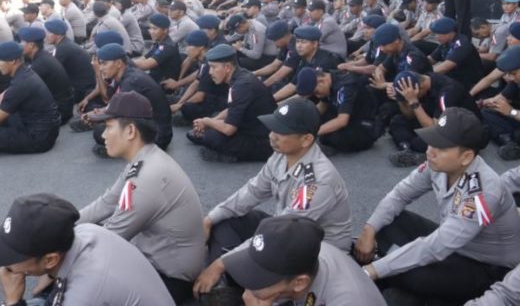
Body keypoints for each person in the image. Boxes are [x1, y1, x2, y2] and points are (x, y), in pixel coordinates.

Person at [355, 108, 520, 304]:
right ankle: (400, 283)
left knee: (414, 276)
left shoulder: (483, 194)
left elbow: (437, 246)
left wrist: (372, 270)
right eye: (432, 141)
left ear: (466, 157)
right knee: (386, 225)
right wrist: (369, 229)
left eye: (441, 147)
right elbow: (400, 194)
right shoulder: (439, 165)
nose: (430, 150)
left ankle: (399, 285)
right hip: (455, 246)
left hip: (487, 266)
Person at [194, 99, 353, 302]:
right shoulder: (281, 155)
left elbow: (284, 237)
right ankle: (237, 281)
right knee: (226, 221)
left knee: (235, 266)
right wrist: (209, 218)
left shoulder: (319, 182)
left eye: (281, 132)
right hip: (283, 230)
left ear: (305, 140)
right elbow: (251, 192)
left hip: (312, 254)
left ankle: (241, 286)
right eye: (272, 128)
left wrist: (220, 263)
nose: (271, 135)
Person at [80, 92, 205, 303]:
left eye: (109, 127)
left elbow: (110, 239)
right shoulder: (144, 159)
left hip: (168, 279)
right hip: (153, 257)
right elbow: (107, 202)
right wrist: (65, 222)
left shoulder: (148, 177)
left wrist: (59, 249)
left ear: (130, 131)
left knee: (85, 280)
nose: (103, 135)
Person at [0, 193, 174, 306]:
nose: (6, 265)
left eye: (13, 255)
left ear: (51, 260)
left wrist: (12, 300)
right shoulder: (86, 231)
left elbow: (85, 293)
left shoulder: (84, 293)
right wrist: (52, 276)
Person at [215, 215, 386, 306]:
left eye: (261, 277)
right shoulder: (305, 254)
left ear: (299, 282)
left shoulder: (348, 301)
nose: (249, 281)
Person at [187, 44, 277, 162]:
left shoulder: (241, 86)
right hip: (251, 128)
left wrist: (207, 121)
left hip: (264, 140)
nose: (210, 72)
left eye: (213, 67)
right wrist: (212, 121)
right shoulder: (240, 77)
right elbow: (232, 108)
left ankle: (234, 156)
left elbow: (229, 129)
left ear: (228, 67)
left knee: (211, 137)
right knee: (205, 130)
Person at [86, 43, 173, 155]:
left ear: (118, 63)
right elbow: (111, 100)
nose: (101, 68)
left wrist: (95, 116)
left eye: (104, 64)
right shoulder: (126, 73)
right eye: (100, 65)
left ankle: (122, 149)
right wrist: (99, 113)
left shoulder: (131, 82)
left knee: (100, 132)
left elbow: (115, 109)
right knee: (100, 119)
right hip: (154, 128)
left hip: (157, 138)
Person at [388, 70, 480, 167]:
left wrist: (414, 101)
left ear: (420, 88)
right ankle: (406, 149)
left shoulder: (447, 93)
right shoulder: (426, 80)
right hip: (437, 119)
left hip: (465, 131)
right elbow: (409, 115)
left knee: (419, 142)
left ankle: (421, 154)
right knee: (397, 121)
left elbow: (436, 129)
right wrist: (399, 99)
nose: (406, 100)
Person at [295, 67, 379, 153]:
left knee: (331, 136)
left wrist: (311, 134)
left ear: (321, 81)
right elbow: (322, 106)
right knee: (315, 122)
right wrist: (302, 123)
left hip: (362, 124)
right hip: (348, 115)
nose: (317, 96)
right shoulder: (330, 79)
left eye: (316, 92)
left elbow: (342, 120)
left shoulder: (346, 86)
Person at [18, 27, 73, 124]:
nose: (20, 45)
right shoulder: (42, 56)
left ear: (31, 45)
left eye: (22, 42)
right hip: (62, 107)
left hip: (57, 112)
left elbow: (20, 89)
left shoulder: (40, 64)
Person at [273, 26, 341, 101]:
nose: (299, 46)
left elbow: (306, 93)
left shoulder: (324, 62)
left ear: (315, 44)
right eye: (297, 41)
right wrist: (273, 99)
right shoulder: (304, 58)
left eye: (303, 42)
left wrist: (281, 104)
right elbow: (294, 84)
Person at [480, 45, 520, 160]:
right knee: (486, 112)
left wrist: (510, 112)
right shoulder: (516, 82)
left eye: (513, 73)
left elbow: (510, 111)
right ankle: (508, 141)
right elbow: (499, 99)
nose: (508, 77)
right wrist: (480, 103)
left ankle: (510, 140)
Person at [44, 19, 96, 103]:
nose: (46, 35)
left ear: (58, 35)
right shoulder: (65, 44)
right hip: (84, 86)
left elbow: (52, 73)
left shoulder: (63, 48)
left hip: (80, 90)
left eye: (49, 32)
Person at [429, 16, 484, 90]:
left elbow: (445, 67)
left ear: (450, 32)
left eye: (438, 34)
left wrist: (425, 76)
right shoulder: (446, 43)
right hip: (454, 77)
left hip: (468, 82)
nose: (436, 37)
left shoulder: (462, 44)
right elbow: (430, 59)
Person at [133, 13, 181, 84]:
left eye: (155, 29)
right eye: (150, 28)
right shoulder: (159, 42)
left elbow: (145, 65)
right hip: (154, 80)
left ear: (165, 30)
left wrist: (126, 62)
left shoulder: (167, 47)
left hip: (162, 86)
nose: (151, 31)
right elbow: (144, 58)